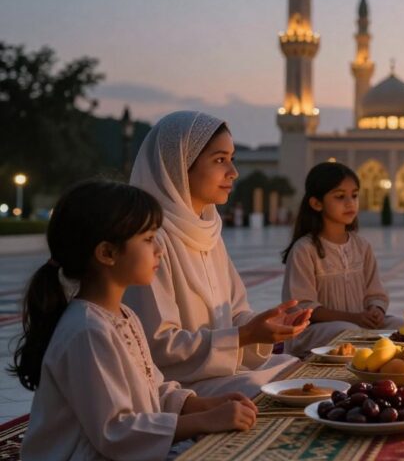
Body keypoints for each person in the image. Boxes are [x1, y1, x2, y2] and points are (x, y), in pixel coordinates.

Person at [14, 180, 257, 461]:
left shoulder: (124, 316)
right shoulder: (86, 331)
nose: (160, 250)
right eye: (149, 239)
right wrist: (202, 422)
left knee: (226, 460)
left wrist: (202, 405)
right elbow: (115, 431)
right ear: (107, 253)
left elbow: (152, 389)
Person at [125, 111, 311, 397]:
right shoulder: (150, 239)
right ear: (179, 166)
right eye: (220, 160)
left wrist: (264, 325)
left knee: (298, 370)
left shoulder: (208, 232)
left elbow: (234, 313)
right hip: (178, 387)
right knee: (267, 390)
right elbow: (158, 346)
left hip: (220, 371)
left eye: (232, 158)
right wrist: (244, 336)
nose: (233, 172)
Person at [280, 162, 403, 356]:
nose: (350, 203)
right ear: (316, 203)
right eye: (340, 197)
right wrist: (354, 318)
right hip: (316, 331)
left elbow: (376, 293)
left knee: (403, 327)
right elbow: (303, 306)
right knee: (347, 332)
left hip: (359, 324)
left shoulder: (362, 246)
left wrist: (376, 310)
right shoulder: (305, 249)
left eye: (354, 195)